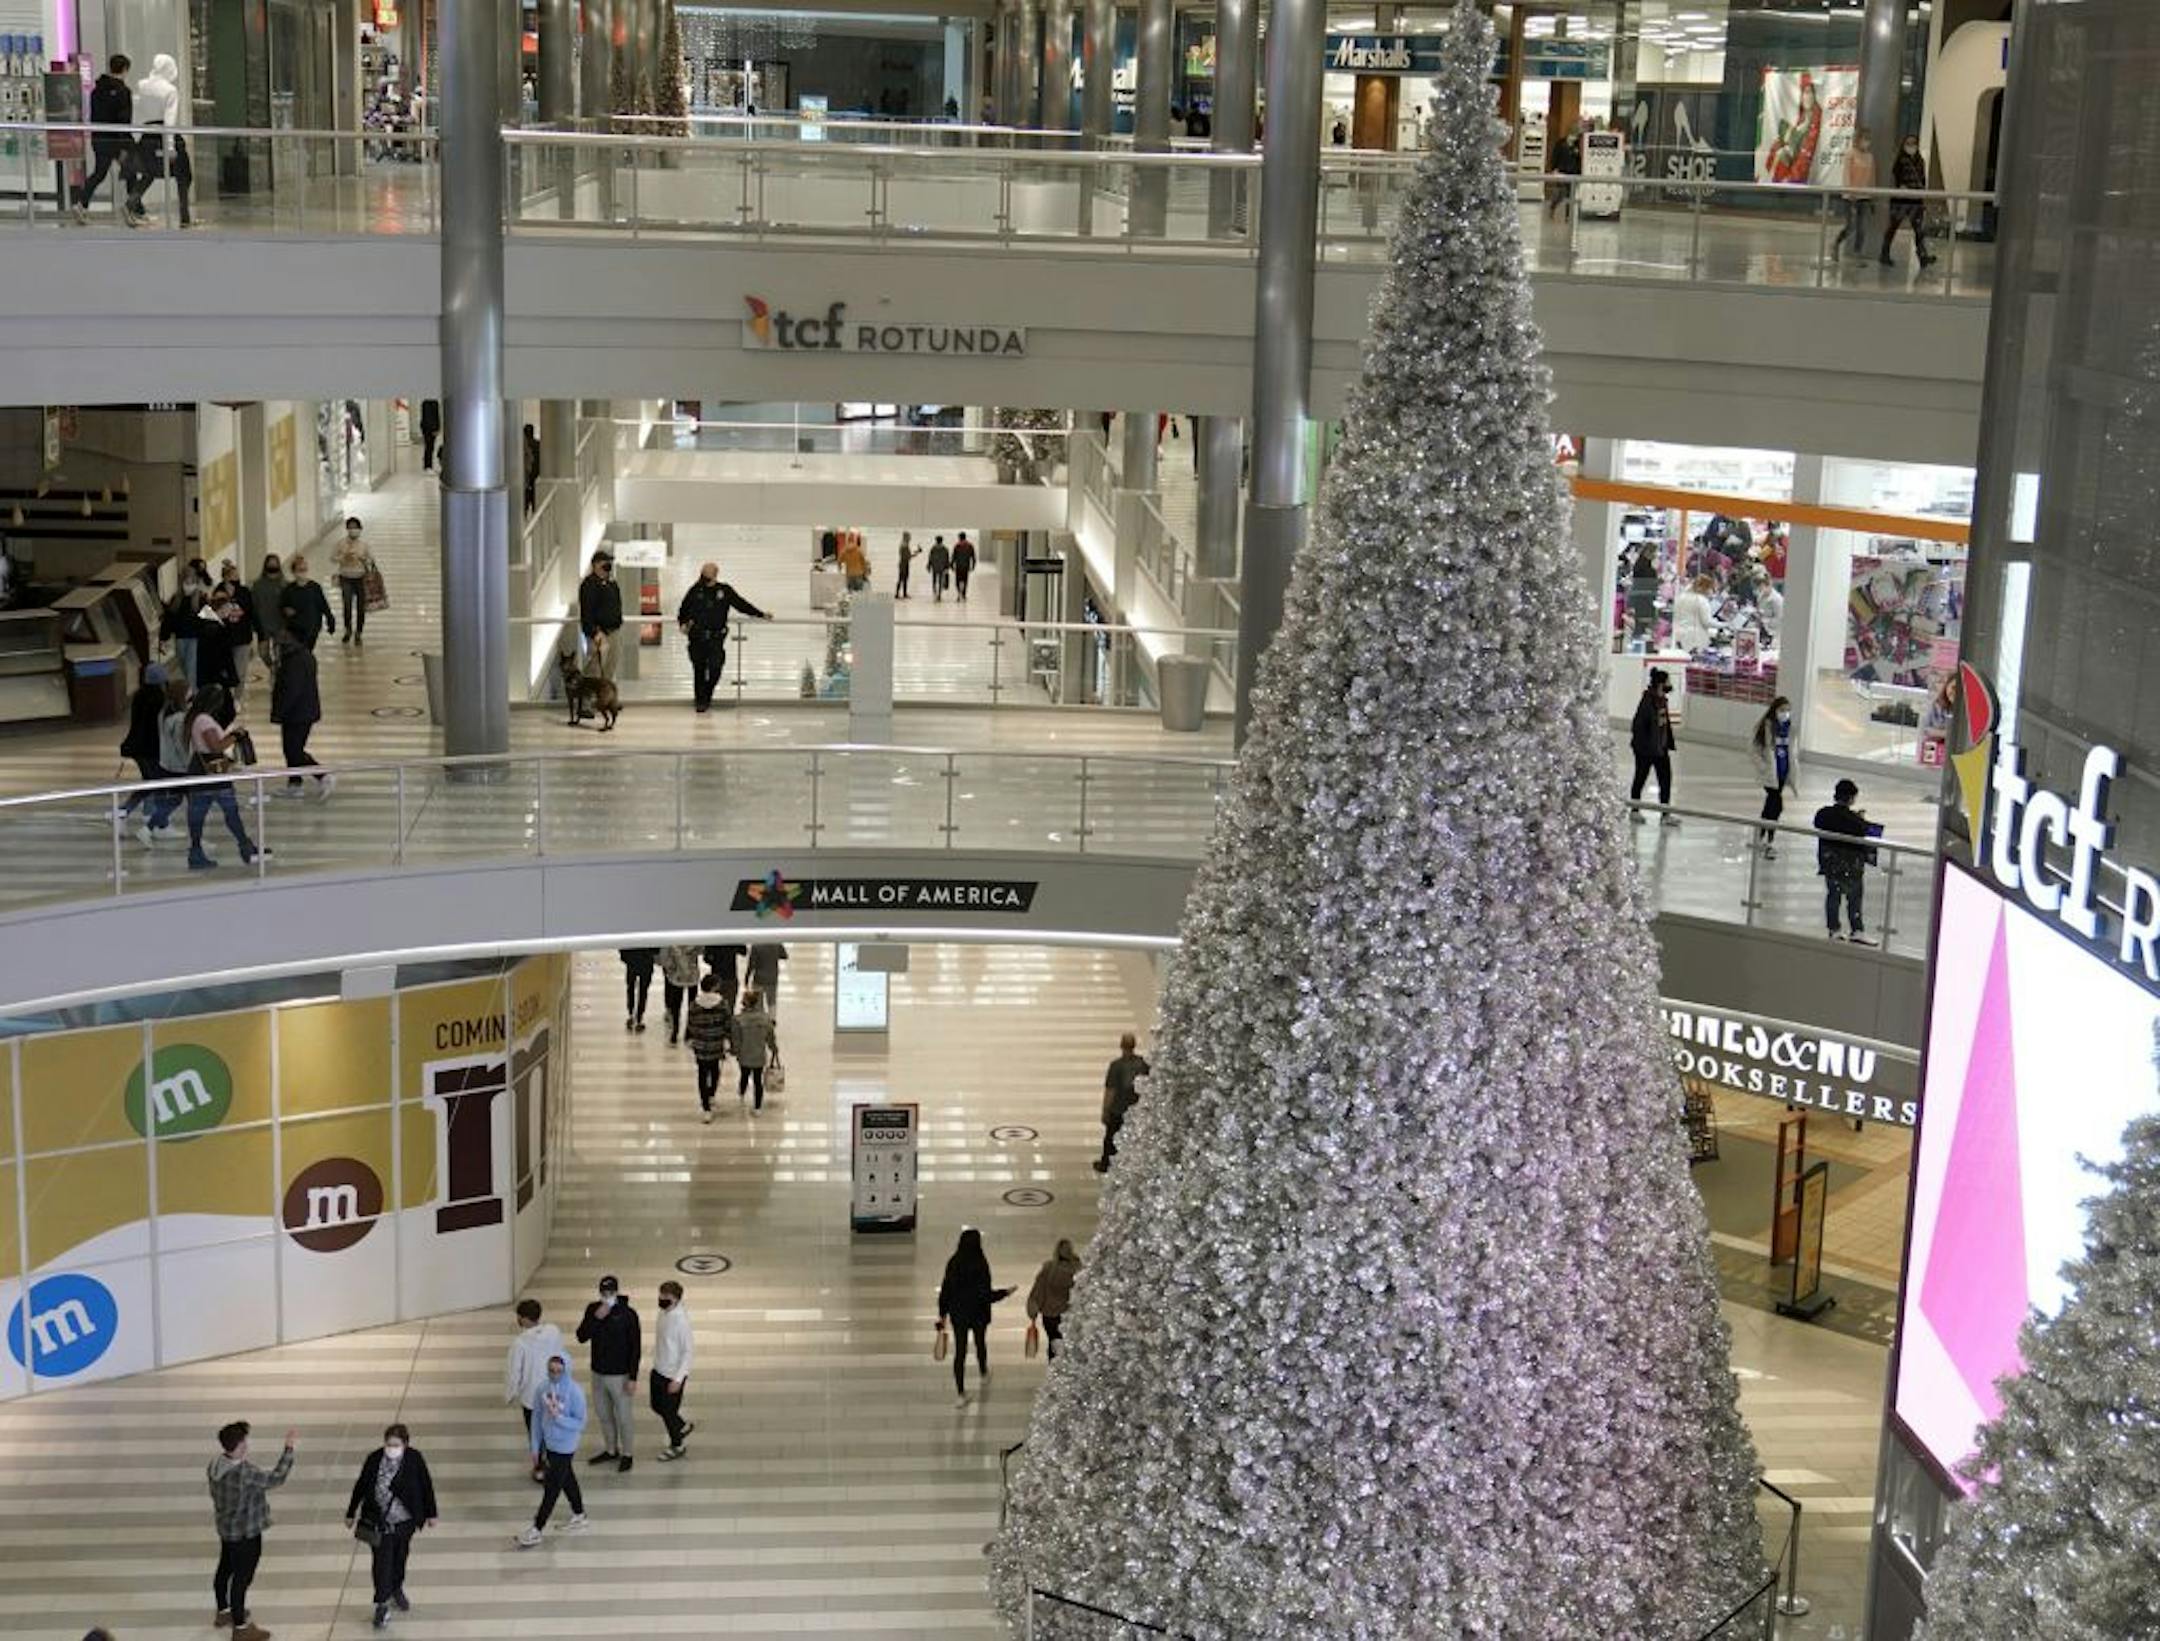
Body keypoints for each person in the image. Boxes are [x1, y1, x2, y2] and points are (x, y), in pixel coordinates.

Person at [344, 1423, 438, 1630]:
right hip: (379, 1522)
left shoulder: (414, 1459)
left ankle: (396, 1587)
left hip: (405, 1522)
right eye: (389, 1444)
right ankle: (382, 1603)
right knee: (382, 1563)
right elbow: (361, 1485)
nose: (391, 1449)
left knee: (400, 1557)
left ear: (405, 1444)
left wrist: (431, 1513)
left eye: (396, 1445)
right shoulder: (374, 1459)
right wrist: (351, 1512)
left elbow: (426, 1485)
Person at [207, 1420, 295, 1640]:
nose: (247, 1444)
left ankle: (223, 1611)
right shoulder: (244, 1473)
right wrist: (288, 1450)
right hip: (246, 1532)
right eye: (244, 1442)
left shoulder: (215, 1464)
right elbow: (276, 1478)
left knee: (225, 1568)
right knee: (242, 1579)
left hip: (226, 1529)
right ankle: (240, 1627)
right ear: (238, 1446)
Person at [182, 684, 269, 870]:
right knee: (230, 811)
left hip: (201, 770)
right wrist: (235, 735)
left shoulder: (195, 718)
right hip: (213, 773)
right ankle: (245, 847)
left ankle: (197, 852)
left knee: (199, 814)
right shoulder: (204, 720)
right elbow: (215, 747)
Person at [675, 561, 770, 713]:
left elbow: (741, 605)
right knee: (699, 670)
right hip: (697, 637)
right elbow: (683, 610)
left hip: (716, 638)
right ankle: (701, 701)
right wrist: (683, 623)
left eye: (707, 576)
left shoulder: (724, 591)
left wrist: (761, 614)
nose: (703, 579)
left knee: (715, 668)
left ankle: (706, 694)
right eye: (702, 575)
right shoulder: (695, 590)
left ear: (715, 575)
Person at [516, 1354, 591, 1545]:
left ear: (566, 1370)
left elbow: (581, 1423)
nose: (555, 1375)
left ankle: (537, 1528)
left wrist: (559, 1418)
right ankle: (579, 1514)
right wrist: (535, 1447)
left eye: (559, 1371)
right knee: (567, 1479)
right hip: (550, 1444)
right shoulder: (542, 1388)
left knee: (552, 1488)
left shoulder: (575, 1392)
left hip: (566, 1446)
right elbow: (536, 1419)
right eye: (551, 1370)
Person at [936, 1228, 1011, 1406]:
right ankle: (983, 1372)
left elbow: (946, 1290)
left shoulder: (954, 1262)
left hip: (959, 1314)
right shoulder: (980, 1263)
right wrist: (1004, 1293)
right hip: (978, 1314)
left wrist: (942, 1314)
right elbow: (985, 1295)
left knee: (960, 1352)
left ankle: (960, 1394)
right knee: (980, 1342)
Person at [576, 1275, 641, 1471]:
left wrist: (633, 1377)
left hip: (620, 1375)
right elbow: (581, 1336)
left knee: (624, 1417)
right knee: (604, 1414)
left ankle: (628, 1453)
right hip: (598, 1373)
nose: (607, 1296)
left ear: (617, 1292)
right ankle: (611, 1449)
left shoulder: (628, 1314)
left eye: (610, 1292)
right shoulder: (593, 1309)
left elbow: (635, 1348)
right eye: (603, 1292)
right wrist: (596, 1318)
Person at [124, 54, 192, 227]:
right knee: (183, 174)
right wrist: (170, 147)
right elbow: (170, 120)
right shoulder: (170, 90)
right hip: (163, 134)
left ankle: (130, 203)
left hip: (147, 135)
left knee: (149, 172)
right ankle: (185, 217)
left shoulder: (142, 86)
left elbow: (138, 110)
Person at [119, 663, 181, 844]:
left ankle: (123, 812)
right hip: (151, 749)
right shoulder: (160, 700)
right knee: (159, 785)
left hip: (137, 747)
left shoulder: (139, 695)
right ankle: (159, 825)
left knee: (150, 783)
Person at [505, 1298, 565, 1482]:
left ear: (524, 1318)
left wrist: (510, 1394)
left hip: (531, 1398)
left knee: (536, 1435)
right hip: (553, 1392)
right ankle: (556, 1464)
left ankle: (540, 1469)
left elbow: (514, 1372)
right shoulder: (553, 1331)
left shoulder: (520, 1343)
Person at [1814, 778, 1876, 945]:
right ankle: (1857, 930)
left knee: (1833, 895)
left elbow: (1819, 823)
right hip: (1851, 865)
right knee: (1854, 897)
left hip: (1830, 863)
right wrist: (1860, 819)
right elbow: (1864, 831)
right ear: (1851, 798)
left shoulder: (1823, 814)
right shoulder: (1854, 821)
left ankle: (1834, 929)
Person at [74, 56, 135, 221]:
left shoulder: (97, 90)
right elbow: (124, 120)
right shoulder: (123, 92)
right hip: (118, 140)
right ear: (125, 70)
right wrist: (125, 144)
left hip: (100, 138)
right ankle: (133, 209)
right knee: (131, 171)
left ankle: (81, 203)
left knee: (100, 173)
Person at [270, 631, 329, 798]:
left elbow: (291, 690)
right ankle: (295, 782)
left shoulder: (294, 661)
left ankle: (322, 775)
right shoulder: (303, 655)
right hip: (303, 710)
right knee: (291, 749)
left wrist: (279, 712)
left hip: (297, 713)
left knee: (294, 750)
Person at [650, 1280, 696, 1460]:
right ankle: (681, 1426)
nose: (661, 1299)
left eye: (666, 1296)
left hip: (672, 1375)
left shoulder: (681, 1321)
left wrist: (678, 1379)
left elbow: (688, 1352)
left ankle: (677, 1445)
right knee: (656, 1406)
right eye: (660, 1295)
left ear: (676, 1299)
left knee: (668, 1413)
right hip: (658, 1369)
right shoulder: (663, 1312)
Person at [1629, 668, 1679, 823]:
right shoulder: (1647, 702)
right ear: (1661, 684)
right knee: (1640, 778)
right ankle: (1634, 810)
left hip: (1660, 749)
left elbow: (1664, 725)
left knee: (1665, 780)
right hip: (1646, 750)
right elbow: (1637, 726)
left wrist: (1667, 743)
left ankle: (1665, 814)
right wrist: (1644, 747)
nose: (1670, 685)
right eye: (1667, 681)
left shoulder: (1662, 701)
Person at [1096, 1032, 1150, 1172]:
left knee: (1111, 1138)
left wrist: (1105, 1110)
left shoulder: (1116, 1066)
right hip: (1136, 1109)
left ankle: (1106, 1163)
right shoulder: (1143, 1064)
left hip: (1118, 1109)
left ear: (1121, 1046)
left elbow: (1111, 1090)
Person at [1750, 696, 1797, 857]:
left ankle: (1761, 838)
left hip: (1782, 774)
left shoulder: (1790, 729)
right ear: (1774, 710)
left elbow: (1792, 753)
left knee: (1771, 807)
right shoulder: (1766, 727)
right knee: (1776, 806)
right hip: (1770, 775)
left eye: (1788, 710)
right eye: (1782, 710)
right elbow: (1753, 750)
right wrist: (1763, 767)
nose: (1786, 713)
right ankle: (1768, 842)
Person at [684, 974, 734, 1123]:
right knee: (715, 1069)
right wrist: (728, 1040)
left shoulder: (694, 1004)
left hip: (700, 1045)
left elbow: (691, 1024)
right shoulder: (722, 1004)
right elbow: (728, 1024)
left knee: (702, 1073)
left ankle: (705, 1106)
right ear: (714, 986)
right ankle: (712, 1093)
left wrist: (693, 1037)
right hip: (716, 1044)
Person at [1882, 133, 1935, 269]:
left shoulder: (1920, 161)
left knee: (1918, 230)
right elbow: (1895, 178)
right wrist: (1900, 188)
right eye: (1908, 143)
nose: (1911, 146)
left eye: (1914, 143)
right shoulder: (1900, 161)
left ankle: (1922, 256)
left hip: (1916, 200)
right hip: (1901, 200)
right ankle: (1884, 253)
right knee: (1893, 226)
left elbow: (1922, 179)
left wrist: (1922, 195)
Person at [1025, 1238, 1081, 1360]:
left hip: (1050, 1314)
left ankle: (1055, 1366)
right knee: (1069, 1345)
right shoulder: (1079, 1270)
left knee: (1054, 1344)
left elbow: (1038, 1290)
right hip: (1070, 1314)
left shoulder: (1049, 1269)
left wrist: (1033, 1309)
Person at [578, 550, 624, 692]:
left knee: (610, 666)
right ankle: (590, 697)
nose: (608, 565)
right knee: (595, 669)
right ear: (596, 565)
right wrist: (594, 632)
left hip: (613, 631)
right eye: (605, 562)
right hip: (598, 634)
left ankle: (604, 696)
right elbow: (587, 611)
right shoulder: (589, 585)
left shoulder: (611, 583)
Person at [731, 988, 778, 1112]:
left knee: (744, 1074)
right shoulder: (765, 1019)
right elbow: (770, 1037)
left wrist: (734, 1051)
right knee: (758, 1080)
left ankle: (742, 1092)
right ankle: (757, 1106)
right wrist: (773, 1048)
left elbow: (736, 1039)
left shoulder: (738, 1020)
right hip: (759, 1055)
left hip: (744, 1054)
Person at [1833, 129, 1876, 259]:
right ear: (1857, 139)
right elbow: (1847, 175)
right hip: (1850, 197)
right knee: (1850, 225)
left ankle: (1858, 252)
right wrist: (1850, 192)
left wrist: (1872, 195)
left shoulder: (1870, 157)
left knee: (1862, 227)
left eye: (1868, 139)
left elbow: (1872, 177)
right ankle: (1836, 244)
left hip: (1865, 196)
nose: (1866, 142)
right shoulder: (1850, 154)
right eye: (1864, 138)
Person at [279, 556, 333, 650]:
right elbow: (282, 606)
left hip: (312, 627)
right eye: (300, 570)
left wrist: (330, 620)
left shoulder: (315, 587)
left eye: (304, 569)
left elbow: (323, 605)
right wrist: (285, 611)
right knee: (300, 652)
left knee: (308, 650)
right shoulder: (288, 590)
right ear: (294, 572)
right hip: (295, 628)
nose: (303, 572)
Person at [332, 518, 372, 645]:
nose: (353, 530)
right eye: (350, 527)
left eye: (355, 527)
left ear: (360, 529)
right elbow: (333, 558)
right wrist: (344, 557)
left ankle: (359, 632)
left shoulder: (364, 545)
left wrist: (362, 558)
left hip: (360, 578)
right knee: (347, 605)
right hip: (346, 577)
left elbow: (371, 560)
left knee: (361, 607)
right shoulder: (341, 543)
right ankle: (348, 630)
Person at [249, 554, 286, 672]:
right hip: (263, 625)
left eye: (275, 563)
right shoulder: (258, 585)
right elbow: (252, 606)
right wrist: (252, 626)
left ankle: (279, 673)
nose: (272, 565)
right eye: (270, 563)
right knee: (263, 652)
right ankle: (271, 667)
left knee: (280, 653)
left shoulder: (285, 585)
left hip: (280, 625)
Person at [660, 944, 701, 1042]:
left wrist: (669, 970)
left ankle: (675, 1030)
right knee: (691, 1005)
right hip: (692, 976)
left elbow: (666, 959)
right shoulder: (694, 942)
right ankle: (689, 1031)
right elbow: (701, 950)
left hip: (676, 977)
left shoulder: (672, 943)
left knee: (676, 1006)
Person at [1672, 573, 1717, 653]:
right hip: (1693, 638)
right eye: (1711, 589)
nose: (1711, 592)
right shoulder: (1701, 600)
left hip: (1679, 634)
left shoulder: (1682, 596)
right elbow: (1707, 622)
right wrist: (1724, 625)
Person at [1548, 122, 1583, 219]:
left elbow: (1578, 160)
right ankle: (1553, 207)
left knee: (1570, 194)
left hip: (1572, 172)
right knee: (1560, 193)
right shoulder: (1560, 143)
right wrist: (1554, 168)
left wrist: (1579, 171)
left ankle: (1568, 215)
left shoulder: (1577, 145)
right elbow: (1555, 156)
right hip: (1561, 171)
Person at [619, 946, 658, 1031]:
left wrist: (625, 958)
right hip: (646, 962)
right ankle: (639, 1018)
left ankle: (631, 1014)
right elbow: (656, 948)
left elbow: (623, 945)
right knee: (643, 991)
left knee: (631, 988)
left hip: (632, 961)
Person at [747, 942, 786, 1012]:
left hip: (759, 978)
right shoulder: (776, 943)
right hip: (772, 978)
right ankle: (772, 1017)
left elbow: (751, 964)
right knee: (772, 1002)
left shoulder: (756, 945)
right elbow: (784, 956)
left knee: (758, 1003)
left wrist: (747, 977)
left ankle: (760, 1016)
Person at [951, 533, 977, 603]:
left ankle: (959, 593)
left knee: (957, 581)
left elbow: (953, 556)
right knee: (965, 581)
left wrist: (951, 565)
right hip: (966, 566)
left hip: (958, 566)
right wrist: (973, 565)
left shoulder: (957, 546)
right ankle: (963, 594)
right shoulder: (970, 546)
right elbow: (973, 557)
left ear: (959, 538)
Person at [522, 423, 541, 516]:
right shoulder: (538, 444)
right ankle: (534, 512)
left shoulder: (521, 447)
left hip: (526, 474)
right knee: (534, 495)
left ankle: (524, 513)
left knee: (525, 495)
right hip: (536, 473)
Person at [926, 535, 951, 601]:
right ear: (942, 541)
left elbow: (930, 558)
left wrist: (929, 565)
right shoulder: (945, 549)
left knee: (934, 581)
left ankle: (935, 593)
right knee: (940, 581)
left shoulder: (933, 548)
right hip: (941, 567)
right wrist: (947, 567)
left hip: (935, 567)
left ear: (936, 541)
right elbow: (947, 559)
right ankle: (939, 595)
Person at [419, 398, 441, 471]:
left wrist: (437, 428)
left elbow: (436, 416)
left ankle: (428, 465)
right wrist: (434, 428)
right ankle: (428, 466)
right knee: (429, 447)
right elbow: (430, 417)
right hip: (429, 429)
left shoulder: (431, 402)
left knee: (430, 447)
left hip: (428, 427)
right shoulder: (429, 403)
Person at [895, 531, 915, 598]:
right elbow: (907, 556)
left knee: (903, 579)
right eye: (909, 537)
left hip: (903, 563)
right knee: (902, 579)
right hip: (904, 564)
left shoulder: (903, 545)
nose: (910, 538)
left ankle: (902, 593)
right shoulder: (904, 546)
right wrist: (915, 554)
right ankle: (900, 594)